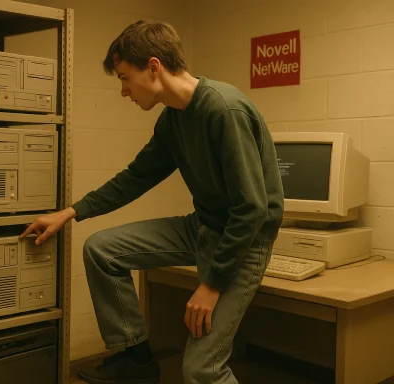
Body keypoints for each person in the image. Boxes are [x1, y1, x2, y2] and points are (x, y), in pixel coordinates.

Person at [20, 20, 284, 384]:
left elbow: (252, 209)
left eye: (125, 78)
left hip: (243, 243)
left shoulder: (224, 110)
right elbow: (136, 177)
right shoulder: (172, 120)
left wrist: (211, 284)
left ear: (154, 67)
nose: (124, 91)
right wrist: (69, 212)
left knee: (200, 370)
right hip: (201, 229)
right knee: (102, 250)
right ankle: (138, 362)